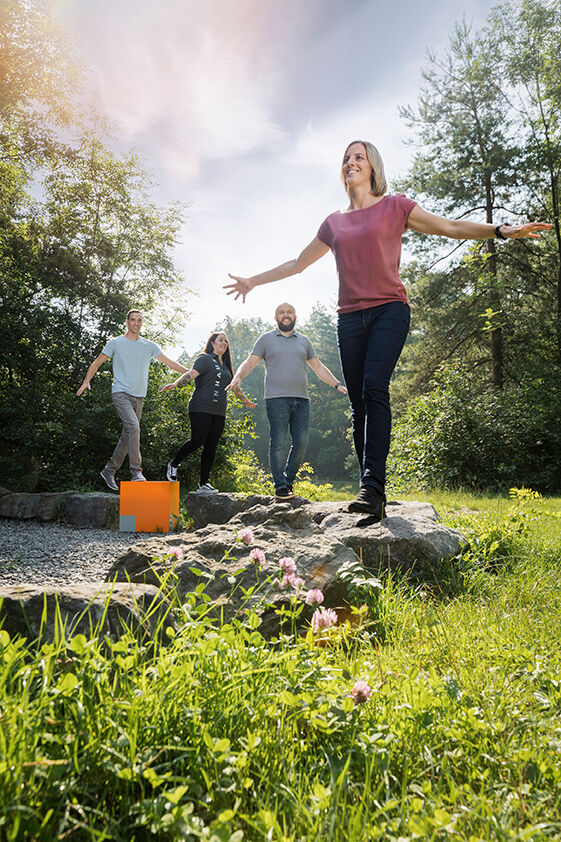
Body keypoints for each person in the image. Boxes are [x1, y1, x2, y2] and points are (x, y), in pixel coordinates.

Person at [225, 140, 552, 518]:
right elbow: (298, 263)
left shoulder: (396, 206)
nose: (350, 162)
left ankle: (371, 487)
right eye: (345, 158)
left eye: (358, 157)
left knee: (374, 387)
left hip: (389, 311)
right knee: (359, 402)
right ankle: (373, 494)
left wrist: (501, 230)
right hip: (349, 319)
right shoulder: (333, 222)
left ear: (373, 166)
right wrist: (252, 281)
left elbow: (448, 226)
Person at [228, 302, 347, 501]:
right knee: (279, 442)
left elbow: (318, 367)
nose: (286, 315)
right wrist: (238, 377)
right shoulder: (266, 339)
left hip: (302, 399)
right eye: (282, 312)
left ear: (295, 317)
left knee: (301, 442)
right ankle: (280, 486)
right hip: (276, 399)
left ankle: (288, 482)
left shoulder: (304, 341)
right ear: (276, 318)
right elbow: (250, 362)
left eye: (289, 312)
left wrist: (336, 384)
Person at [77, 309, 188, 488]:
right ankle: (136, 471)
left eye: (139, 320)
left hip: (139, 397)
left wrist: (191, 372)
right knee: (134, 427)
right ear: (127, 321)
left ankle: (109, 470)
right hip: (121, 393)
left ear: (142, 323)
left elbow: (170, 362)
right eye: (133, 320)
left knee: (128, 435)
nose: (136, 323)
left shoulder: (149, 346)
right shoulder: (116, 343)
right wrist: (86, 381)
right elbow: (97, 362)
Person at [162, 331, 255, 493]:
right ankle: (174, 463)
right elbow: (191, 374)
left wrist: (245, 400)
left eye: (226, 341)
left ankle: (204, 483)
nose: (224, 343)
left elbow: (234, 386)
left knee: (211, 446)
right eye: (220, 340)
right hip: (200, 407)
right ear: (212, 343)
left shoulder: (226, 366)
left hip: (219, 411)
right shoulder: (204, 358)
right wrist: (176, 383)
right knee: (197, 440)